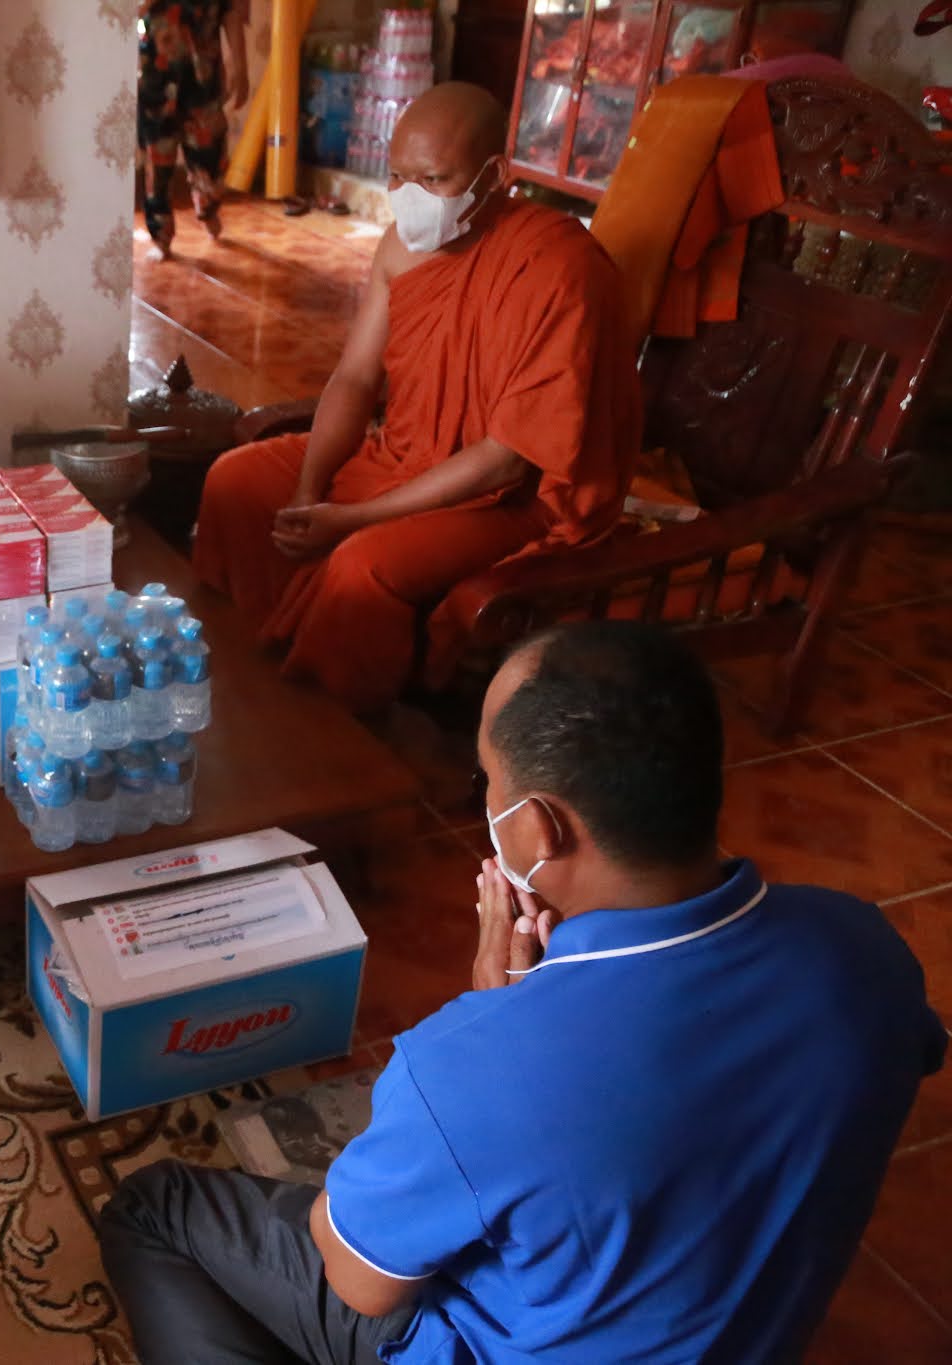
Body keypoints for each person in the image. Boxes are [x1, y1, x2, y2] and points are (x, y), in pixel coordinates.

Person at [99, 621, 946, 1365]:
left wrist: (496, 1023)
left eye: (487, 781)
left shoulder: (473, 1071)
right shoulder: (866, 949)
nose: (486, 800)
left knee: (157, 1205)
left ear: (537, 827)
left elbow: (357, 1280)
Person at [192, 82, 641, 715]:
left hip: (507, 500)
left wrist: (351, 519)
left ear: (495, 175)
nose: (410, 197)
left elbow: (507, 460)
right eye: (398, 177)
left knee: (362, 565)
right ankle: (249, 664)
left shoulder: (559, 268)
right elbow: (355, 379)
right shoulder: (401, 247)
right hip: (400, 454)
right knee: (234, 481)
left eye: (433, 179)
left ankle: (336, 717)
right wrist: (308, 489)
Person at [137, 0, 248, 257]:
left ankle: (208, 207)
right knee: (158, 160)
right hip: (155, 79)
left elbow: (230, 12)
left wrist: (240, 67)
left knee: (209, 154)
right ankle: (161, 235)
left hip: (203, 80)